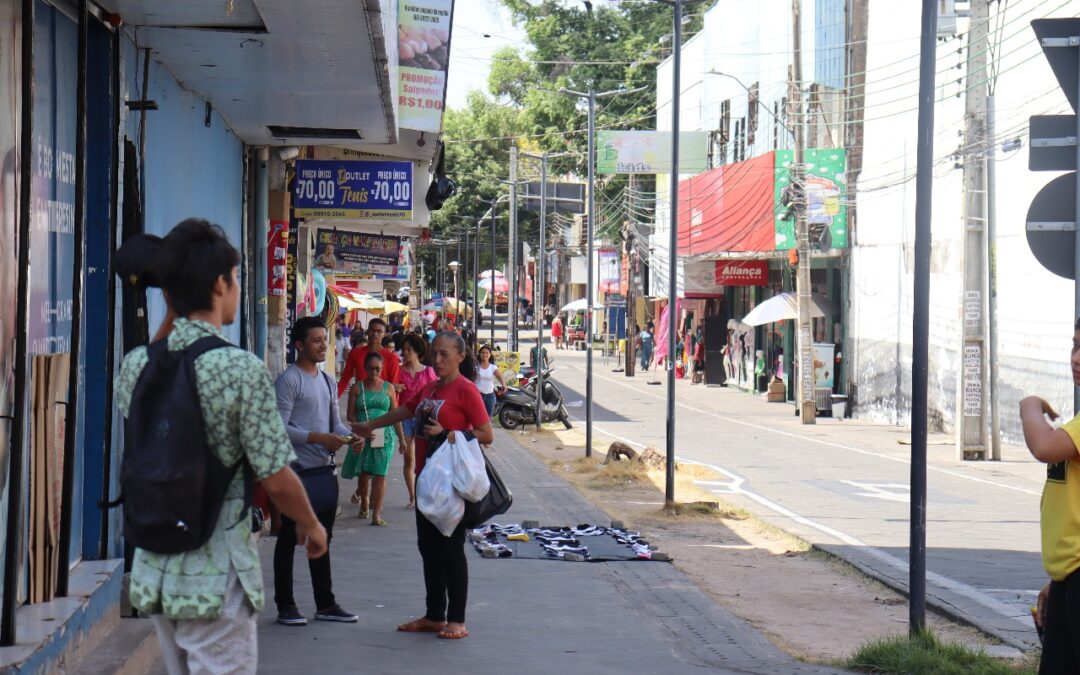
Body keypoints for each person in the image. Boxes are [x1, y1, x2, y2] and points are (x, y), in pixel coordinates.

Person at [115, 220, 328, 673]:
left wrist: (173, 296)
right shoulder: (239, 369)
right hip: (214, 574)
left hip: (157, 568)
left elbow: (162, 356)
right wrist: (311, 523)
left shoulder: (136, 365)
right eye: (234, 277)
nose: (235, 287)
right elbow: (275, 475)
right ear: (219, 284)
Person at [354, 332, 493, 641]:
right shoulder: (431, 387)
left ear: (460, 356)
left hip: (451, 485)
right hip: (426, 479)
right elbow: (406, 410)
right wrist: (370, 426)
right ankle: (434, 615)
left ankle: (456, 619)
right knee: (427, 548)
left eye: (445, 354)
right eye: (435, 354)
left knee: (451, 549)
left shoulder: (466, 390)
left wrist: (450, 431)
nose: (438, 360)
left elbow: (486, 434)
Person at [273, 316, 359, 627]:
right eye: (317, 340)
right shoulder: (289, 380)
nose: (324, 345)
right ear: (299, 345)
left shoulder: (326, 380)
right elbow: (279, 427)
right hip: (296, 473)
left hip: (323, 473)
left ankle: (326, 602)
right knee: (288, 541)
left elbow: (333, 422)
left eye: (325, 339)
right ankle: (286, 604)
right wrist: (317, 438)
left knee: (322, 539)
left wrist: (348, 436)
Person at [1021, 317, 1080, 671]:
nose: (1076, 357)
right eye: (1075, 345)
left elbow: (1043, 446)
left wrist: (1029, 405)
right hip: (1069, 578)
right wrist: (1057, 580)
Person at [344, 352, 404, 525]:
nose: (374, 372)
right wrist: (360, 431)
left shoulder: (389, 388)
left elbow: (395, 415)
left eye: (377, 368)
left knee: (380, 474)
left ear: (382, 368)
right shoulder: (357, 388)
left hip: (384, 436)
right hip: (363, 436)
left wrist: (402, 439)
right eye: (370, 368)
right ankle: (364, 503)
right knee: (364, 475)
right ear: (365, 368)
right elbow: (351, 416)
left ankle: (376, 514)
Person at [398, 333, 437, 509]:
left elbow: (435, 395)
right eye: (404, 349)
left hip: (424, 419)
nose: (405, 352)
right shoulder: (398, 371)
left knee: (423, 459)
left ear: (418, 352)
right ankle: (412, 496)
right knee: (408, 459)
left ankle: (424, 493)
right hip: (404, 418)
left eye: (409, 350)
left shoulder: (428, 371)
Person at [337, 317, 402, 398]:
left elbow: (394, 388)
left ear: (384, 334)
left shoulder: (391, 358)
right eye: (372, 330)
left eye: (379, 331)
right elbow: (345, 379)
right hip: (360, 402)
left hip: (382, 406)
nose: (375, 334)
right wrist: (333, 400)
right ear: (367, 331)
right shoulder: (355, 353)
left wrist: (393, 410)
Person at [475, 344, 506, 419]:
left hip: (490, 396)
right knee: (478, 417)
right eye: (482, 353)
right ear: (479, 354)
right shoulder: (475, 366)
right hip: (478, 395)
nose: (485, 354)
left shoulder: (493, 367)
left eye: (487, 353)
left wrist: (504, 385)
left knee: (488, 418)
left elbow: (499, 376)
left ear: (490, 354)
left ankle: (487, 431)